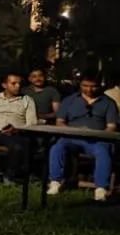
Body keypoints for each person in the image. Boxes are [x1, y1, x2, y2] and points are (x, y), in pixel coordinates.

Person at [47, 74, 118, 202]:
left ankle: (100, 188)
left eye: (93, 87)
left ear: (99, 85)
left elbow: (111, 127)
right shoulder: (69, 100)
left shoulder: (108, 102)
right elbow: (60, 121)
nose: (89, 90)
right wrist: (71, 131)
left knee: (103, 151)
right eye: (85, 86)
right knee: (57, 148)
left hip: (97, 139)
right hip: (72, 137)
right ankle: (55, 182)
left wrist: (99, 134)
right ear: (80, 84)